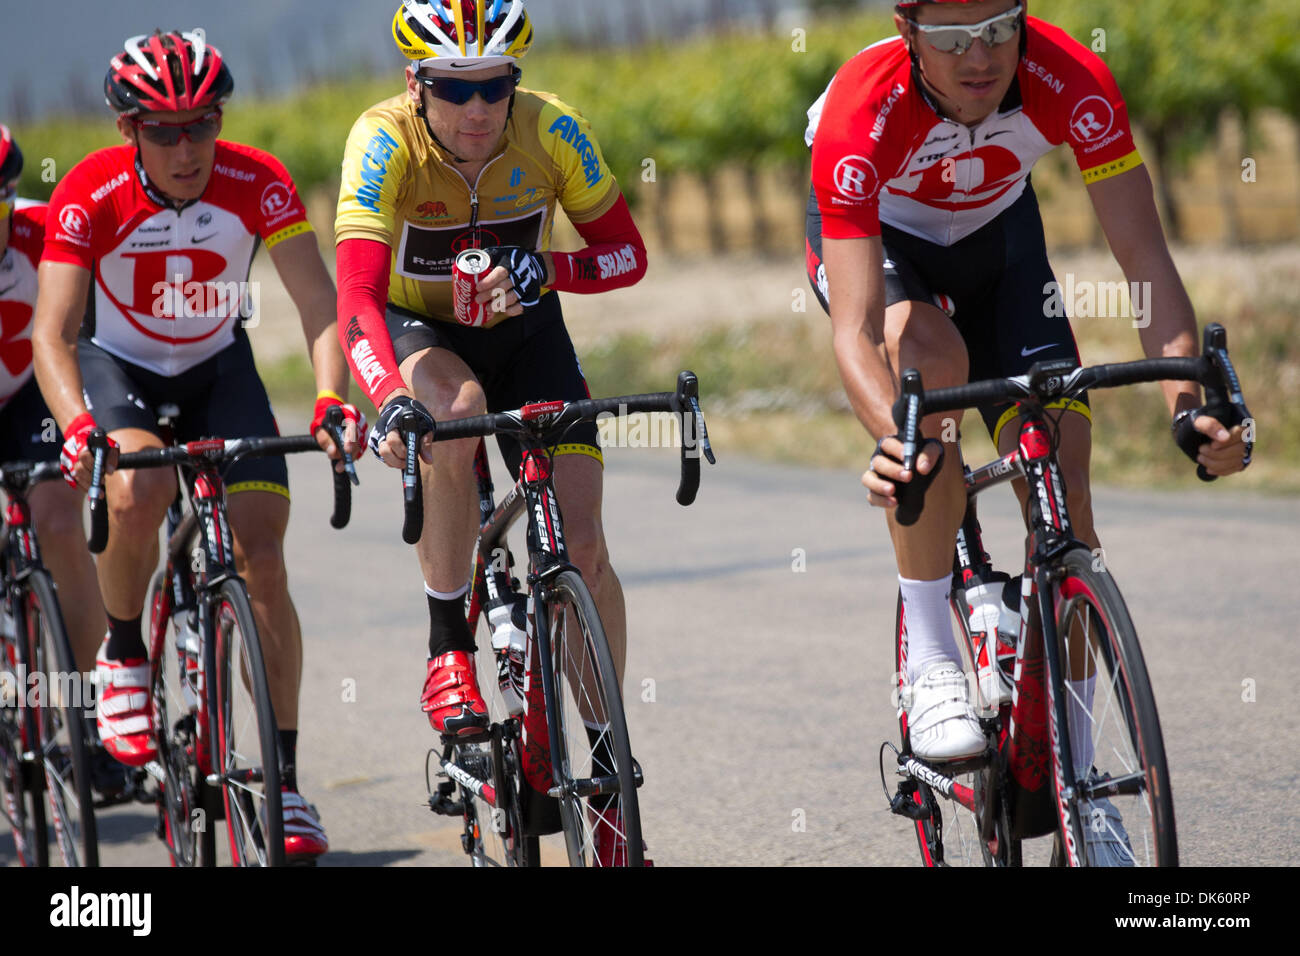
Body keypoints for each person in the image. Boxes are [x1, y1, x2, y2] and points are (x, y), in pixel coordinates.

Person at [805, 0, 1249, 863]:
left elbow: (1146, 263)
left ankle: (1087, 791)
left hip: (1002, 249)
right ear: (909, 36)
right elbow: (854, 331)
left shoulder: (1069, 79)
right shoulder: (863, 109)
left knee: (1066, 482)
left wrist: (1188, 406)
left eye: (1000, 29)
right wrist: (895, 441)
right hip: (884, 249)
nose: (982, 57)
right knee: (926, 362)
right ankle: (933, 650)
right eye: (953, 39)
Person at [32, 28, 364, 863]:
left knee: (264, 561)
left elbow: (320, 305)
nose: (188, 148)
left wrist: (332, 399)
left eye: (202, 126)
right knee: (135, 493)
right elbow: (53, 334)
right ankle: (127, 651)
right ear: (129, 132)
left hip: (220, 369)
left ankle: (285, 782)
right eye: (165, 131)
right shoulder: (88, 192)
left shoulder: (259, 181)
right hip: (122, 370)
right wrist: (78, 427)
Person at [334, 0, 649, 865]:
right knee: (454, 407)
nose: (477, 109)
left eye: (495, 87)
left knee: (583, 547)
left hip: (531, 335)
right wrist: (386, 398)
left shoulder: (551, 131)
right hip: (419, 335)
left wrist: (547, 266)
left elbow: (627, 253)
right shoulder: (383, 138)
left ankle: (608, 768)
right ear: (416, 84)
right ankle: (448, 645)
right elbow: (355, 296)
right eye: (454, 89)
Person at [0, 123, 108, 725]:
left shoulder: (43, 230)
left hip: (26, 395)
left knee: (60, 520)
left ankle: (90, 713)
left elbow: (91, 326)